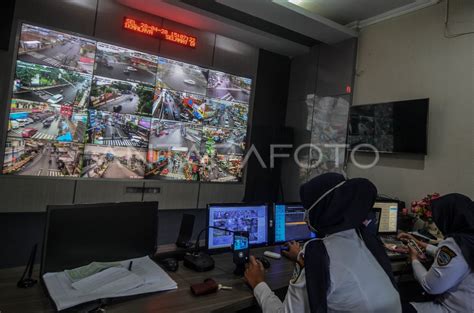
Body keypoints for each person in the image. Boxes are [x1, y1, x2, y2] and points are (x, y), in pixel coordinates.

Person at [244, 172, 402, 313]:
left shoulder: (317, 254)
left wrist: (259, 283)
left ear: (316, 211)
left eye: (306, 209)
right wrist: (301, 256)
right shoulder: (366, 239)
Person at [398, 193, 474, 313]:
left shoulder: (455, 243)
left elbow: (430, 286)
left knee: (396, 307)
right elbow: (458, 259)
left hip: (450, 309)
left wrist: (414, 259)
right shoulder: (468, 239)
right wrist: (419, 242)